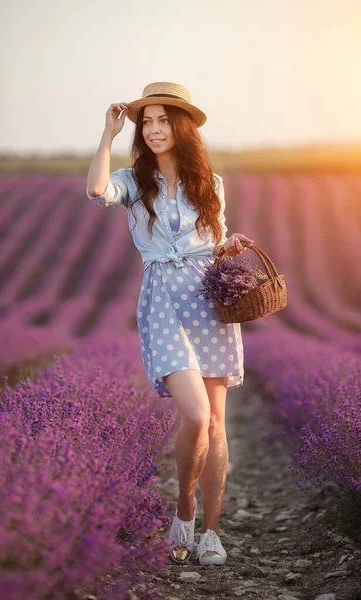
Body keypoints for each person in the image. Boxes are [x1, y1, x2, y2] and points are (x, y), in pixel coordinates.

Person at [86, 81, 255, 566]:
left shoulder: (211, 183)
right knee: (196, 415)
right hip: (163, 302)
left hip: (209, 301)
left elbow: (213, 242)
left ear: (180, 127)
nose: (155, 130)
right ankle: (184, 511)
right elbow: (96, 191)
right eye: (148, 122)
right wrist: (107, 134)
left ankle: (213, 532)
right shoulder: (133, 180)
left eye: (163, 120)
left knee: (216, 424)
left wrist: (230, 245)